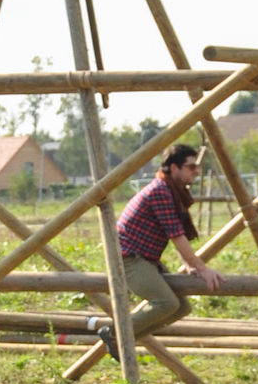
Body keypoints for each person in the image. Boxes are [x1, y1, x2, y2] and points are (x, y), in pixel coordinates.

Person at [89, 143, 222, 357]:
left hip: (144, 258)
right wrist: (202, 269)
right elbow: (177, 236)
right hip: (128, 258)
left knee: (181, 308)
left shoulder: (170, 190)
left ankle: (124, 338)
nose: (196, 171)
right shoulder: (161, 191)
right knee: (166, 303)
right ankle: (114, 333)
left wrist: (191, 265)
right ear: (174, 168)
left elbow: (176, 233)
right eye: (191, 166)